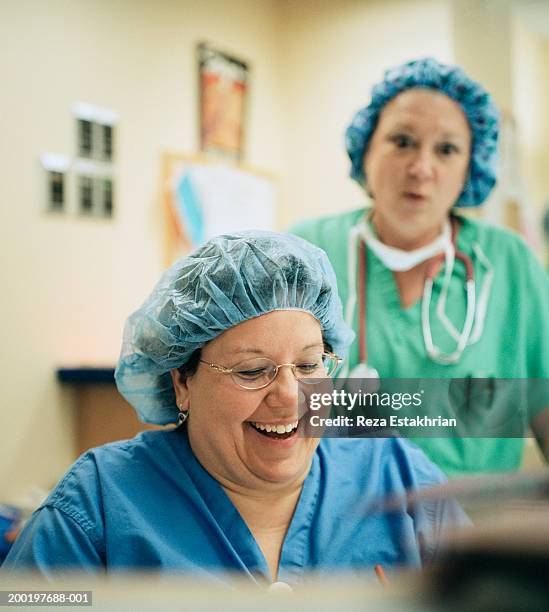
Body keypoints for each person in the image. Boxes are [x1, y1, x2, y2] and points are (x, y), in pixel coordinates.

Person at [2, 231, 464, 583]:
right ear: (182, 382)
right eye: (251, 371)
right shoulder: (99, 504)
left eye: (307, 365)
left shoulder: (398, 474)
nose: (289, 397)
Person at [290, 57, 549, 477]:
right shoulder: (305, 251)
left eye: (446, 149)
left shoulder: (509, 263)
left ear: (470, 168)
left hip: (472, 530)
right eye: (403, 141)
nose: (421, 168)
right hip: (328, 525)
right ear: (366, 150)